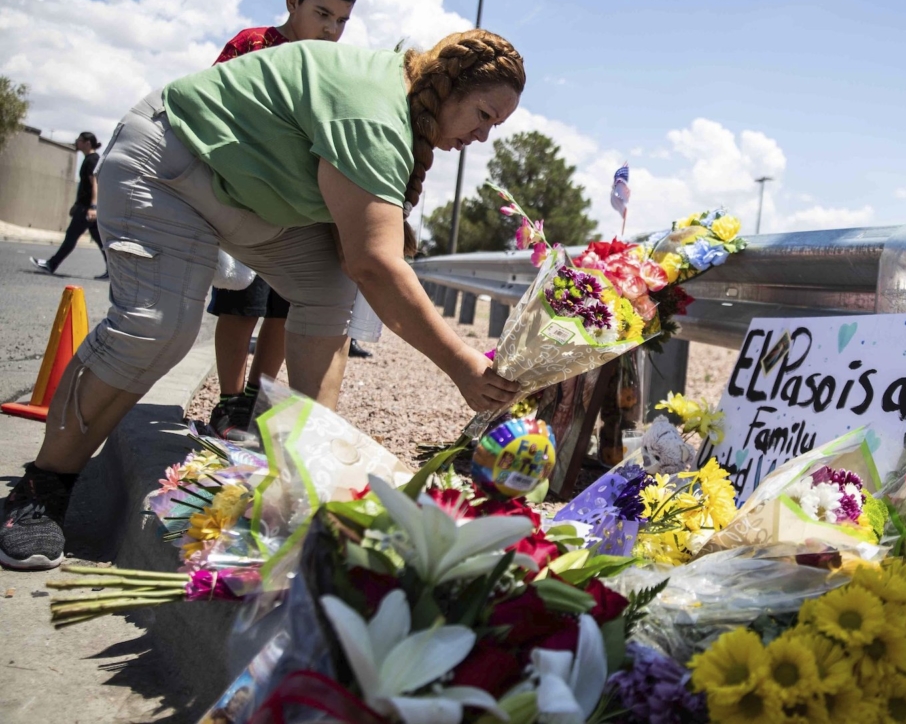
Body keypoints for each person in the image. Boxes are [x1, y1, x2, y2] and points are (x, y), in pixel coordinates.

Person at [0, 29, 525, 570]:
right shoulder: (373, 112)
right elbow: (376, 264)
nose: (482, 136)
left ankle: (301, 480)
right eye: (484, 115)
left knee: (329, 289)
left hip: (243, 196)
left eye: (495, 125)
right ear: (451, 87)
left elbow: (356, 262)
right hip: (170, 165)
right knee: (160, 326)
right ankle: (42, 489)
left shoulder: (397, 108)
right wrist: (463, 364)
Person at [204, 0, 363, 442]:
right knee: (241, 305)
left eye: (341, 21)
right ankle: (229, 401)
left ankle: (257, 398)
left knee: (281, 307)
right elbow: (213, 101)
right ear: (292, 1)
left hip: (296, 210)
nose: (332, 30)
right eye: (322, 14)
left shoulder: (330, 67)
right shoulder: (255, 45)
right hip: (244, 200)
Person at [30, 132, 109, 280]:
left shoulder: (92, 160)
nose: (76, 142)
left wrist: (93, 207)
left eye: (79, 140)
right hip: (85, 206)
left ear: (87, 143)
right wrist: (77, 204)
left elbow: (95, 184)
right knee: (100, 240)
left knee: (71, 237)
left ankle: (51, 265)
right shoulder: (89, 159)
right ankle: (113, 272)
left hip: (87, 209)